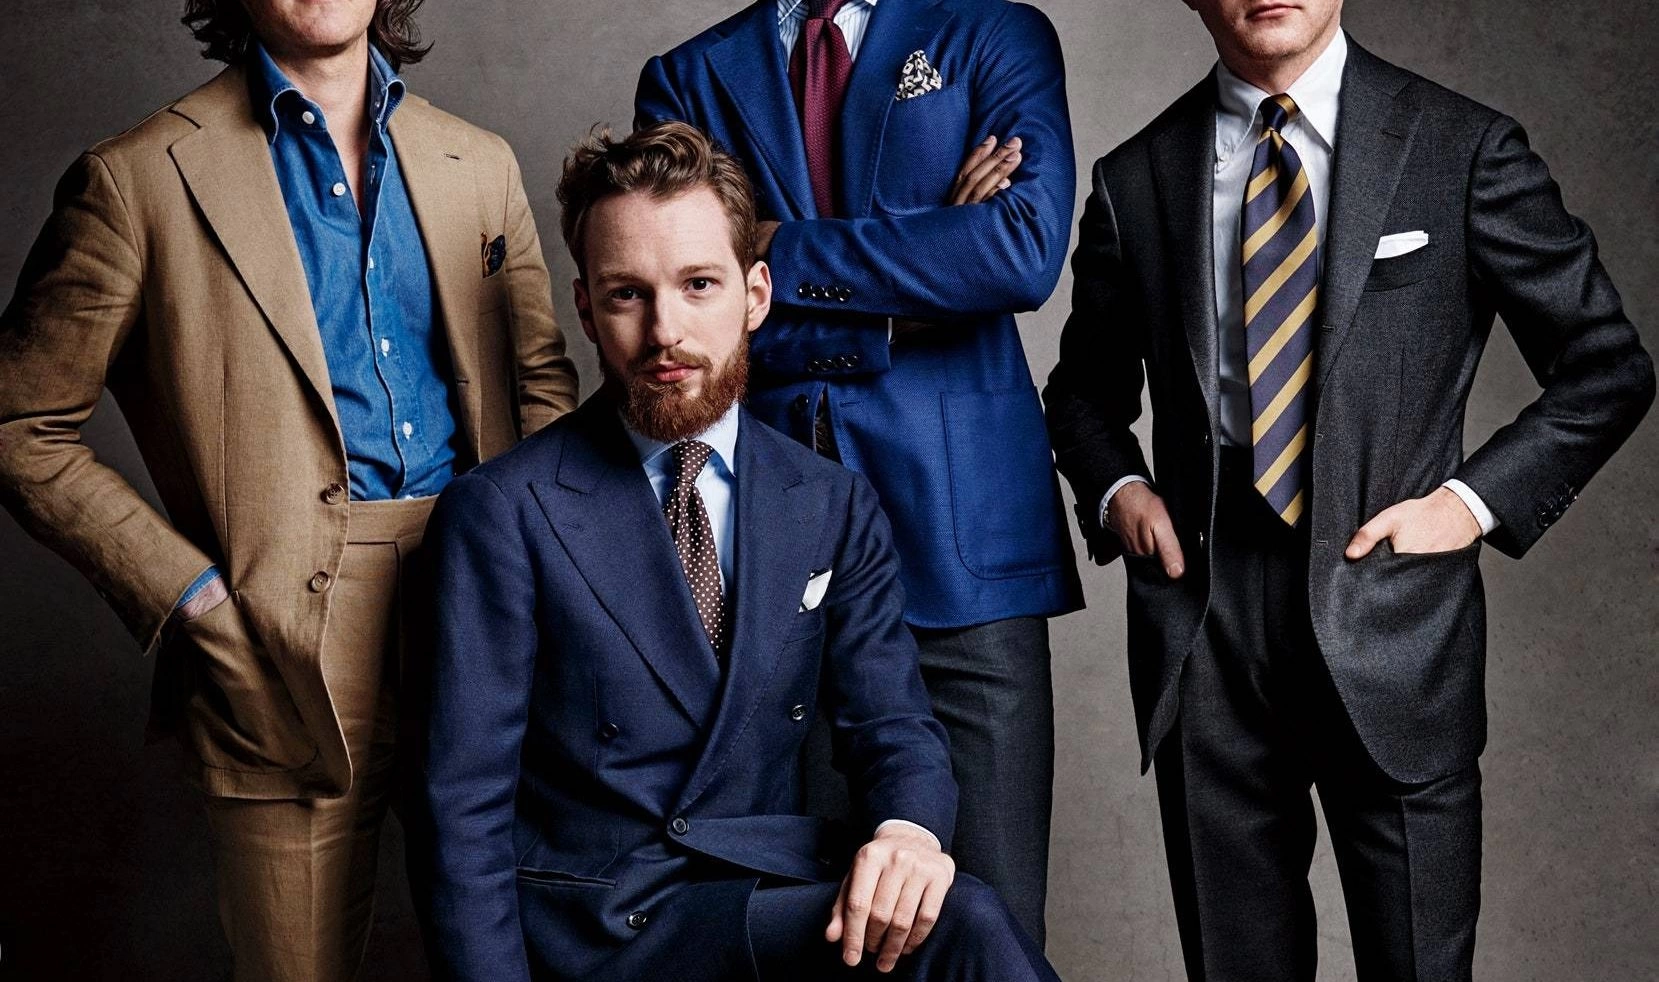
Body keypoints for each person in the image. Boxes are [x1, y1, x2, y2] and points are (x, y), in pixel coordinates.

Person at [1043, 0, 1655, 978]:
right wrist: (1119, 486)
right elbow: (1082, 393)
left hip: (1396, 618)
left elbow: (1606, 366)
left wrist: (1467, 505)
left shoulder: (1460, 147)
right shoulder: (1137, 176)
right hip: (1208, 627)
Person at [0, 0, 577, 978]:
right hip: (276, 635)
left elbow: (540, 389)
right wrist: (192, 600)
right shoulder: (137, 177)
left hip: (482, 601)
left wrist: (554, 589)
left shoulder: (479, 163)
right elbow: (19, 423)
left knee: (520, 951)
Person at [414, 121, 1057, 982]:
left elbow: (892, 724)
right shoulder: (501, 512)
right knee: (967, 924)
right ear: (586, 310)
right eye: (626, 294)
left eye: (698, 285)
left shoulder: (829, 501)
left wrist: (906, 835)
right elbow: (461, 811)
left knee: (955, 912)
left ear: (756, 293)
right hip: (603, 928)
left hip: (764, 894)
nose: (664, 331)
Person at [634, 0, 1081, 941]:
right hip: (773, 557)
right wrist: (920, 273)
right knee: (816, 926)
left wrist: (776, 251)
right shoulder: (687, 77)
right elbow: (691, 325)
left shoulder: (993, 34)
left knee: (993, 924)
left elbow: (1018, 252)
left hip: (966, 548)